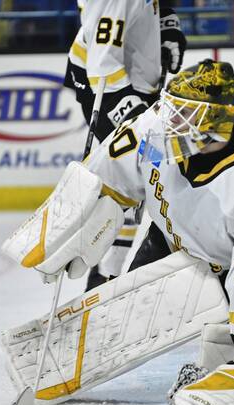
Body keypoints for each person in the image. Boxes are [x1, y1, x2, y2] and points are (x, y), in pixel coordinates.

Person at [79, 59, 234, 405]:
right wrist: (74, 212)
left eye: (184, 113)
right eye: (172, 108)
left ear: (215, 125)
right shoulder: (158, 130)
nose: (169, 119)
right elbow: (111, 172)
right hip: (179, 235)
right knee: (130, 309)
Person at [63, 0, 187, 290]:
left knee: (144, 182)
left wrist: (166, 23)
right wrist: (134, 115)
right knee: (128, 183)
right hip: (108, 88)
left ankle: (114, 275)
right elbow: (101, 65)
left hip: (137, 82)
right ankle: (104, 279)